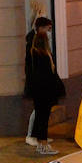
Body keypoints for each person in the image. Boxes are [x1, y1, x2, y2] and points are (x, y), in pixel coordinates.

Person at [23, 16, 60, 155]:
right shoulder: (39, 54)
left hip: (42, 91)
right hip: (42, 91)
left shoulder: (42, 53)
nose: (49, 33)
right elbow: (41, 74)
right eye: (48, 29)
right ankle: (39, 142)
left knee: (41, 116)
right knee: (41, 117)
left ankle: (40, 142)